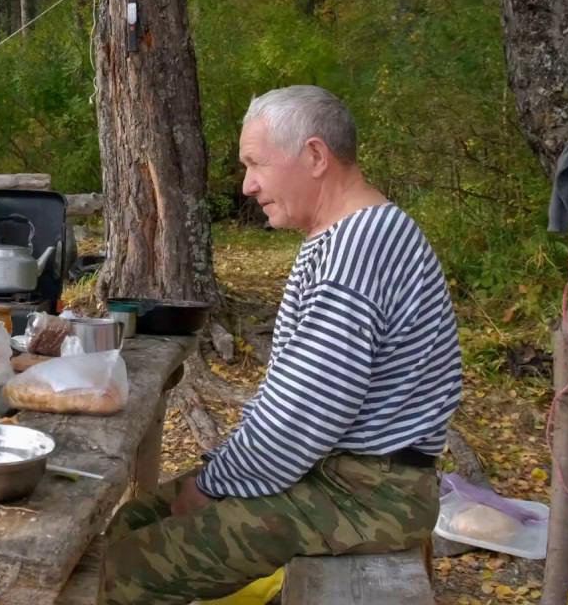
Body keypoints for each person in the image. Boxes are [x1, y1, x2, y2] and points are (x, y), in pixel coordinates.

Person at [99, 86, 463, 604]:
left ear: (315, 156)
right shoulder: (345, 237)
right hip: (333, 473)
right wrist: (218, 467)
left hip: (368, 495)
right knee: (135, 518)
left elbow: (300, 417)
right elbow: (293, 399)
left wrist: (210, 486)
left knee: (124, 571)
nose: (247, 185)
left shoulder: (357, 254)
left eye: (255, 164)